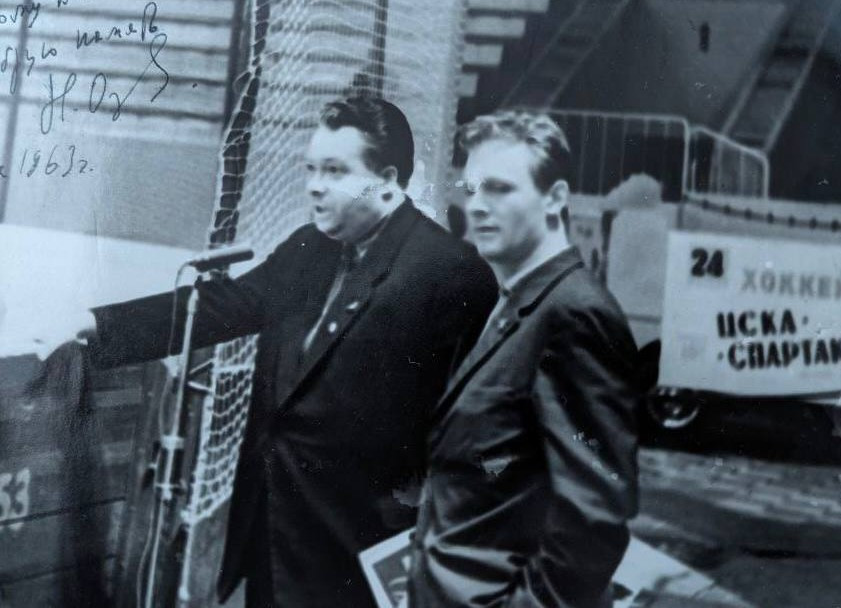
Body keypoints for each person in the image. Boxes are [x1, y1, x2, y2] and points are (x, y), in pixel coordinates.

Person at [48, 97, 497, 607]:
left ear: (387, 180)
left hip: (365, 556)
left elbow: (482, 429)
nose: (315, 186)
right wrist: (94, 324)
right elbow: (223, 305)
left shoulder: (451, 273)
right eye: (311, 169)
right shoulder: (309, 247)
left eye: (335, 171)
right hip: (273, 537)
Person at [409, 110, 640, 608]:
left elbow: (593, 520)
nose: (477, 206)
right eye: (472, 189)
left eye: (500, 189)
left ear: (555, 198)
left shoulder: (573, 314)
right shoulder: (519, 300)